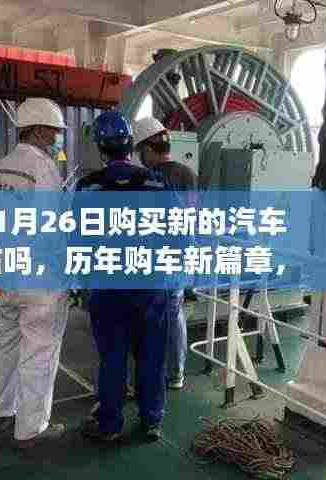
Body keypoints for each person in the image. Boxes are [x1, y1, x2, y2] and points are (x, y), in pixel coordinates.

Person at [75, 110, 171, 442]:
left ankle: (110, 424)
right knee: (152, 356)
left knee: (112, 357)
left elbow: (78, 239)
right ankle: (151, 420)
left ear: (101, 148)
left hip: (108, 286)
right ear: (130, 144)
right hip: (150, 284)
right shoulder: (156, 182)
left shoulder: (88, 187)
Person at [0, 97, 69, 448]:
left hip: (10, 271)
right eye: (53, 131)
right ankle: (30, 428)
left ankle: (1, 412)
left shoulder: (2, 167)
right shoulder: (44, 168)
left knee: (7, 343)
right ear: (37, 130)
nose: (57, 138)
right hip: (40, 276)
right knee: (39, 351)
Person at [133, 116, 198, 390]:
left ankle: (152, 373)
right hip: (182, 256)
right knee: (174, 312)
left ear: (149, 149)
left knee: (150, 316)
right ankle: (176, 373)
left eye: (140, 151)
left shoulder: (148, 179)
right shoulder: (188, 174)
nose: (140, 158)